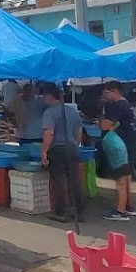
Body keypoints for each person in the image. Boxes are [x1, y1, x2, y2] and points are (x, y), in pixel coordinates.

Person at [40, 84, 84, 222]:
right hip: (72, 148)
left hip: (57, 149)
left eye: (43, 96)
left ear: (49, 96)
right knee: (74, 180)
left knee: (59, 181)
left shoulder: (49, 112)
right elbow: (79, 132)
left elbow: (49, 133)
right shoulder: (72, 111)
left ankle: (60, 212)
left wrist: (44, 152)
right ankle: (79, 211)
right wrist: (74, 145)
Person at [102, 81, 136, 217]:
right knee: (127, 177)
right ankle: (127, 205)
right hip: (127, 142)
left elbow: (105, 126)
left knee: (120, 179)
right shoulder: (126, 104)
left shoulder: (116, 107)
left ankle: (120, 210)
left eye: (106, 92)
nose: (105, 96)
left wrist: (101, 117)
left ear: (114, 91)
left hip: (118, 145)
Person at [99, 115, 133, 221]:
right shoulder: (113, 134)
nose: (100, 123)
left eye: (104, 121)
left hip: (118, 163)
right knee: (126, 186)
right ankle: (127, 207)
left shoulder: (107, 138)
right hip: (124, 161)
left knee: (121, 187)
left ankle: (120, 211)